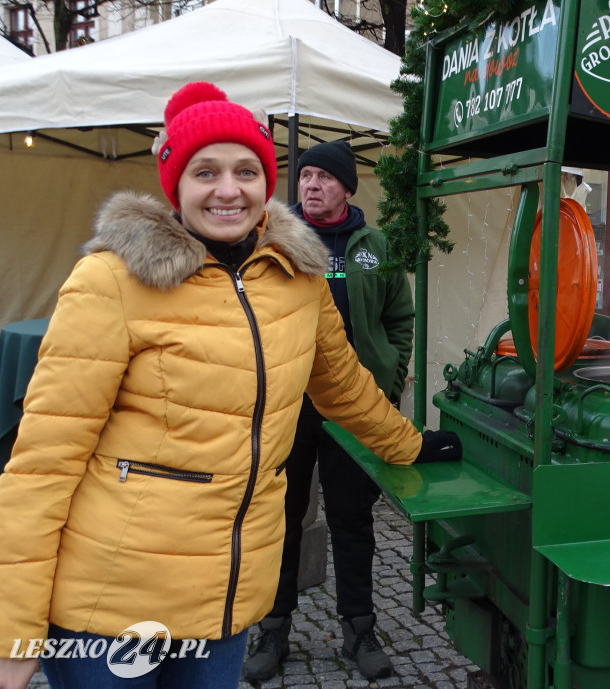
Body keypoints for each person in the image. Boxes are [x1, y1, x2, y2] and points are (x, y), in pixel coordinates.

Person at [0, 82, 459, 689]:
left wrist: (410, 445)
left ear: (267, 183)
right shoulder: (111, 280)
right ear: (176, 185)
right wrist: (14, 626)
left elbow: (345, 387)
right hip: (112, 602)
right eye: (205, 171)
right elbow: (42, 462)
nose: (227, 188)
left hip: (225, 599)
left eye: (247, 170)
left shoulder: (299, 280)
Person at [243, 140, 412, 681]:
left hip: (351, 409)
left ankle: (360, 631)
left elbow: (399, 317)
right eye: (305, 175)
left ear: (346, 187)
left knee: (351, 519)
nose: (311, 185)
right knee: (281, 518)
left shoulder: (374, 245)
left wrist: (388, 381)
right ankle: (273, 632)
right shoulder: (274, 240)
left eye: (323, 177)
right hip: (288, 408)